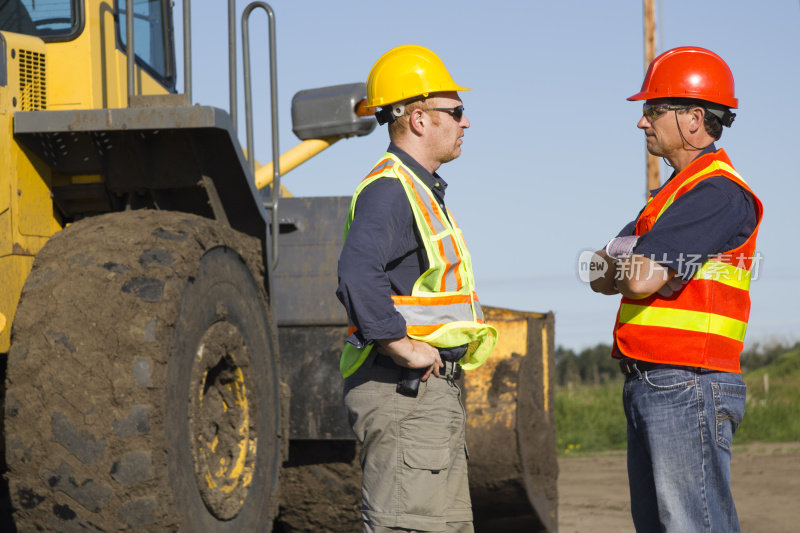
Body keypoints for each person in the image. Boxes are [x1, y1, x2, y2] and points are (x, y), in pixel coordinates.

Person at [589, 46, 763, 532]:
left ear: (692, 118)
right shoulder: (667, 200)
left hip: (688, 384)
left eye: (652, 110)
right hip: (657, 383)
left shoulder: (718, 193)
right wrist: (632, 263)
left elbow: (635, 275)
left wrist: (631, 262)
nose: (641, 123)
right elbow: (596, 272)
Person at [336, 44, 497, 533]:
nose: (465, 122)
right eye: (457, 112)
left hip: (426, 397)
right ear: (420, 119)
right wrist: (403, 347)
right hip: (404, 390)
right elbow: (357, 271)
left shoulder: (419, 188)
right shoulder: (392, 189)